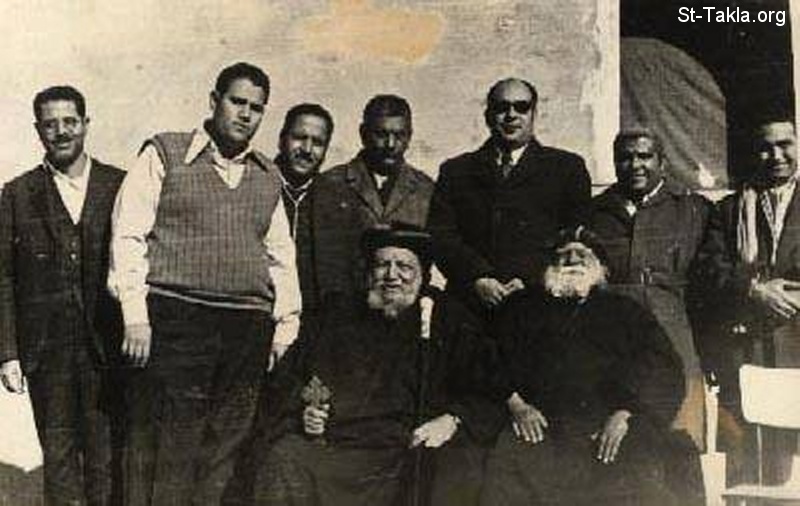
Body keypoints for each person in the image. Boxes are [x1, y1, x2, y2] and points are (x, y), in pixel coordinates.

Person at [109, 62, 301, 505]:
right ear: (215, 101)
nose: (245, 114)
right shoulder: (165, 153)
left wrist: (285, 328)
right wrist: (135, 318)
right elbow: (128, 234)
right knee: (171, 447)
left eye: (256, 108)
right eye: (237, 102)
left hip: (247, 329)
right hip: (177, 319)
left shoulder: (268, 176)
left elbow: (281, 257)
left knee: (225, 451)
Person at [425, 77, 592, 504]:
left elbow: (574, 238)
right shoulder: (457, 171)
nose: (511, 115)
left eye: (521, 107)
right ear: (488, 114)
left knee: (529, 439)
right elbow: (442, 237)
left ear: (535, 114)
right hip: (471, 313)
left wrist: (531, 278)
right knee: (464, 440)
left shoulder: (565, 168)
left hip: (536, 314)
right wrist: (478, 277)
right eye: (502, 107)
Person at [480, 228, 685, 506]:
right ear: (548, 267)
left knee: (638, 481)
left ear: (602, 269)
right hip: (538, 425)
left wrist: (625, 414)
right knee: (506, 474)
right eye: (563, 255)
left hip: (608, 425)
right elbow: (488, 358)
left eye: (583, 254)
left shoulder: (626, 311)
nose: (573, 260)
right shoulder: (521, 307)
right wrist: (517, 406)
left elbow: (663, 367)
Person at [251, 224, 450, 506]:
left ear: (422, 275)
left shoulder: (441, 321)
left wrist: (451, 418)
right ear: (368, 273)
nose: (392, 275)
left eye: (404, 266)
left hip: (396, 452)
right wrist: (302, 412)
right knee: (282, 457)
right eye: (382, 265)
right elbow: (289, 380)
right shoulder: (336, 314)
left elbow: (481, 388)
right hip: (331, 443)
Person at [0, 85, 125, 505]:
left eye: (70, 121)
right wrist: (8, 353)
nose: (62, 132)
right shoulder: (17, 194)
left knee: (107, 458)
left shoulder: (119, 185)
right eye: (50, 124)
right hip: (46, 353)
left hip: (108, 351)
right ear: (38, 131)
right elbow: (3, 277)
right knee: (59, 460)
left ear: (86, 124)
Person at [589, 129, 713, 448]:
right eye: (625, 157)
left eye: (644, 156)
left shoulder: (693, 209)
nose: (635, 165)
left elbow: (709, 280)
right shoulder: (596, 212)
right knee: (615, 439)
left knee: (678, 439)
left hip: (674, 337)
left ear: (662, 162)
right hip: (614, 340)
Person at [704, 116, 800, 485]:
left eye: (784, 145)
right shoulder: (730, 209)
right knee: (746, 459)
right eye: (765, 148)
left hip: (796, 344)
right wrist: (753, 289)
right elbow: (710, 267)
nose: (776, 156)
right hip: (748, 349)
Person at [311, 94, 434, 309]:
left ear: (410, 136)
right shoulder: (330, 185)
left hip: (404, 314)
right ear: (363, 134)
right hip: (344, 313)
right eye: (381, 134)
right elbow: (322, 263)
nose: (390, 144)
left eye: (399, 135)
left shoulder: (426, 190)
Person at [275, 103, 334, 314]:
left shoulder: (335, 200)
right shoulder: (257, 184)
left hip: (312, 319)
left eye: (317, 143)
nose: (307, 150)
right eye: (299, 138)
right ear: (281, 140)